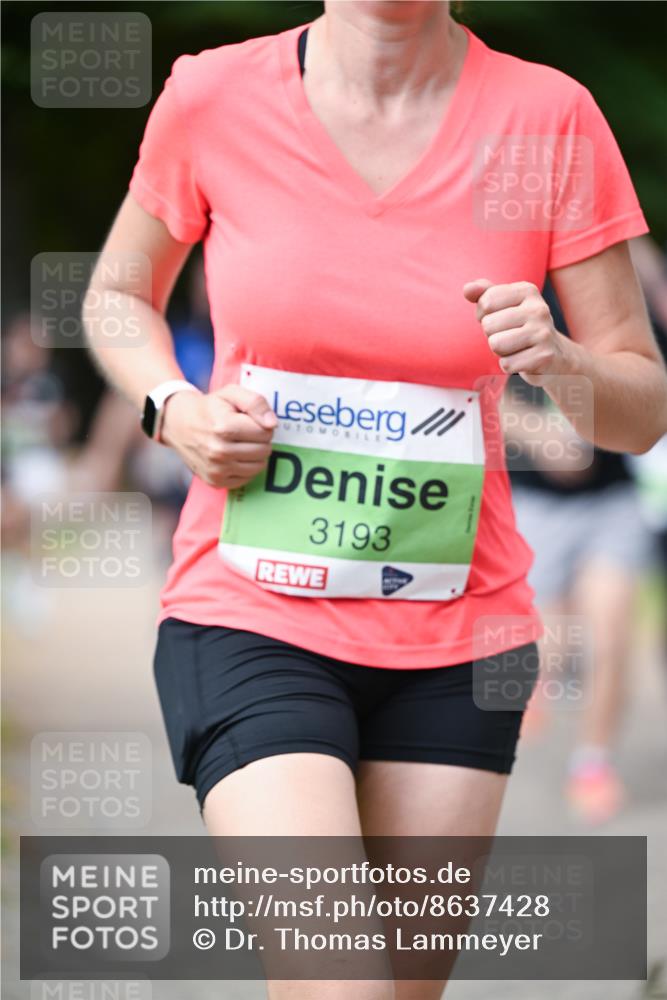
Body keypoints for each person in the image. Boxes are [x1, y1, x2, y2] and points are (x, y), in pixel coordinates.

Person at [83, 3, 667, 996]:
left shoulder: (547, 116)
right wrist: (170, 405)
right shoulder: (214, 95)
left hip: (456, 638)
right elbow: (114, 294)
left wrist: (560, 360)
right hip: (250, 610)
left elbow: (640, 409)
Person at [506, 284, 655, 826]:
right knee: (544, 638)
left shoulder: (618, 291)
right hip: (534, 501)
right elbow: (469, 385)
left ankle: (592, 764)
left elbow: (648, 386)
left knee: (612, 632)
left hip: (611, 498)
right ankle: (535, 684)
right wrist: (538, 435)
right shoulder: (513, 277)